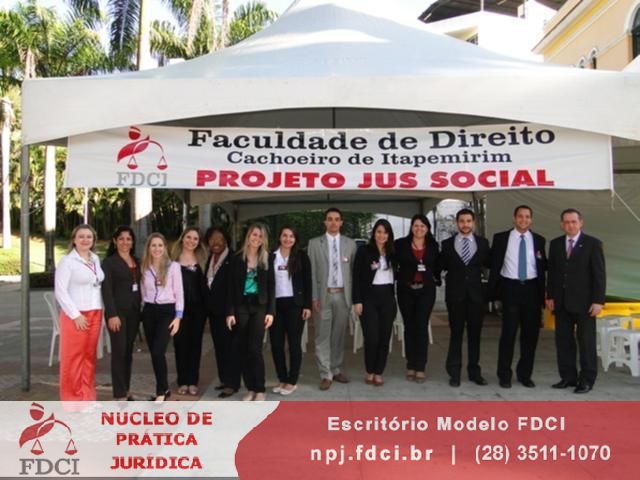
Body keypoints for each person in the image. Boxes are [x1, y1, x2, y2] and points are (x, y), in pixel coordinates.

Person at [547, 208, 605, 394]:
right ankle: (568, 377)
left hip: (585, 303)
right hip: (561, 302)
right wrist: (550, 296)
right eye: (566, 222)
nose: (570, 225)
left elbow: (599, 274)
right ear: (561, 224)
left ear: (581, 223)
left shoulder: (592, 244)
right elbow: (552, 273)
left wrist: (598, 301)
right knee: (563, 342)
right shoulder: (555, 244)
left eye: (573, 221)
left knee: (586, 342)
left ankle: (586, 380)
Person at [488, 206, 547, 389]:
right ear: (514, 218)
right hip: (510, 288)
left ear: (531, 219)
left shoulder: (539, 240)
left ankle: (525, 375)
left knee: (530, 336)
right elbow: (493, 264)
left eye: (527, 216)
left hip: (532, 290)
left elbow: (542, 266)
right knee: (508, 334)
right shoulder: (501, 238)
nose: (523, 219)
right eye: (520, 216)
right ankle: (504, 375)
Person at [439, 208, 490, 387]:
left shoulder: (483, 243)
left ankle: (474, 372)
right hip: (455, 297)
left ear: (473, 222)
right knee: (456, 334)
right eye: (462, 221)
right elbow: (440, 266)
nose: (465, 224)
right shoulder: (447, 244)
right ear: (457, 223)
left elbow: (490, 264)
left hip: (476, 297)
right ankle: (454, 372)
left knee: (475, 335)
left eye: (468, 221)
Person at [307, 207, 357, 390]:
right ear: (325, 222)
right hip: (323, 295)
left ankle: (335, 368)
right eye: (330, 219)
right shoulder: (314, 244)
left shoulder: (350, 244)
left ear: (341, 222)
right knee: (322, 335)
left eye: (337, 219)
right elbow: (311, 273)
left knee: (338, 335)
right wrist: (314, 297)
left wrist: (353, 299)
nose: (333, 222)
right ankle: (325, 373)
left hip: (343, 296)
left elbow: (353, 273)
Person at [55, 224, 104, 402]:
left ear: (93, 240)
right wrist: (75, 315)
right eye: (81, 236)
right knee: (73, 359)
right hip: (76, 315)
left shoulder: (95, 259)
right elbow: (60, 291)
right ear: (74, 240)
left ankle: (87, 397)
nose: (85, 240)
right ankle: (73, 401)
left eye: (89, 237)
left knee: (89, 357)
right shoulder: (67, 262)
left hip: (95, 312)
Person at [226, 224, 275, 401]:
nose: (257, 239)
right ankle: (250, 388)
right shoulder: (237, 258)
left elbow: (271, 286)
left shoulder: (267, 258)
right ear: (248, 236)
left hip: (260, 306)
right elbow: (230, 287)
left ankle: (260, 388)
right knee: (244, 348)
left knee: (255, 349)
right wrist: (230, 312)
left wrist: (271, 312)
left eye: (260, 236)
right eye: (254, 235)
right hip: (241, 306)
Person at [394, 214, 440, 384]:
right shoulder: (400, 244)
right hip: (406, 290)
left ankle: (420, 367)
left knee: (421, 327)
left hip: (426, 291)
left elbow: (437, 266)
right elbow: (393, 263)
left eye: (422, 226)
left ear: (427, 228)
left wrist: (436, 278)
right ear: (411, 227)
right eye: (416, 225)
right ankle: (411, 365)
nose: (419, 228)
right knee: (409, 327)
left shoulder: (433, 246)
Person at [353, 219, 397, 386]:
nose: (381, 235)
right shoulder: (364, 251)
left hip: (387, 298)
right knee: (372, 338)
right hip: (368, 298)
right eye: (378, 232)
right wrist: (357, 301)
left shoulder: (393, 251)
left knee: (384, 338)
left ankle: (379, 372)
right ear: (374, 233)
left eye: (385, 232)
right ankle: (370, 370)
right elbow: (356, 277)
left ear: (389, 235)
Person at [140, 233, 183, 402]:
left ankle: (161, 392)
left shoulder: (174, 267)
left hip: (167, 311)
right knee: (154, 353)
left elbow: (179, 293)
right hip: (149, 311)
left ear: (165, 247)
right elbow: (143, 291)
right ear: (148, 248)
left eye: (160, 245)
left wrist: (178, 317)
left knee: (159, 351)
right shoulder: (144, 267)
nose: (157, 249)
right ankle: (164, 388)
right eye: (153, 245)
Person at [270, 226, 312, 395]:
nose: (288, 239)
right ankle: (282, 378)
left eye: (291, 236)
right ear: (279, 237)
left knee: (294, 344)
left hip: (295, 305)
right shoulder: (271, 256)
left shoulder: (301, 256)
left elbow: (308, 281)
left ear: (295, 239)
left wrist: (307, 305)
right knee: (276, 344)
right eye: (285, 235)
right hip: (275, 306)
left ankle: (292, 381)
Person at [101, 225, 141, 401]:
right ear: (115, 241)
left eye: (128, 239)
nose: (125, 242)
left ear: (132, 242)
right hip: (117, 314)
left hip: (134, 312)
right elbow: (106, 290)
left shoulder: (137, 261)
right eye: (121, 239)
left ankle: (126, 388)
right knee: (119, 351)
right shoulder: (109, 263)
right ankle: (119, 393)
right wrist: (111, 314)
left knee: (128, 351)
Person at [171, 227, 208, 396]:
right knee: (180, 344)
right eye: (188, 237)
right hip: (178, 310)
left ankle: (193, 381)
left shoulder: (203, 260)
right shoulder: (173, 260)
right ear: (182, 238)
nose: (191, 241)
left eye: (195, 238)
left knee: (195, 345)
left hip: (198, 309)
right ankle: (183, 381)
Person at [203, 226, 236, 399]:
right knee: (219, 347)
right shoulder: (210, 258)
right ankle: (224, 379)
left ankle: (232, 383)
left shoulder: (233, 259)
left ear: (226, 241)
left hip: (228, 312)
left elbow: (233, 287)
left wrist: (231, 311)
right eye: (212, 239)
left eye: (220, 239)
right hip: (214, 312)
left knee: (230, 348)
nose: (216, 242)